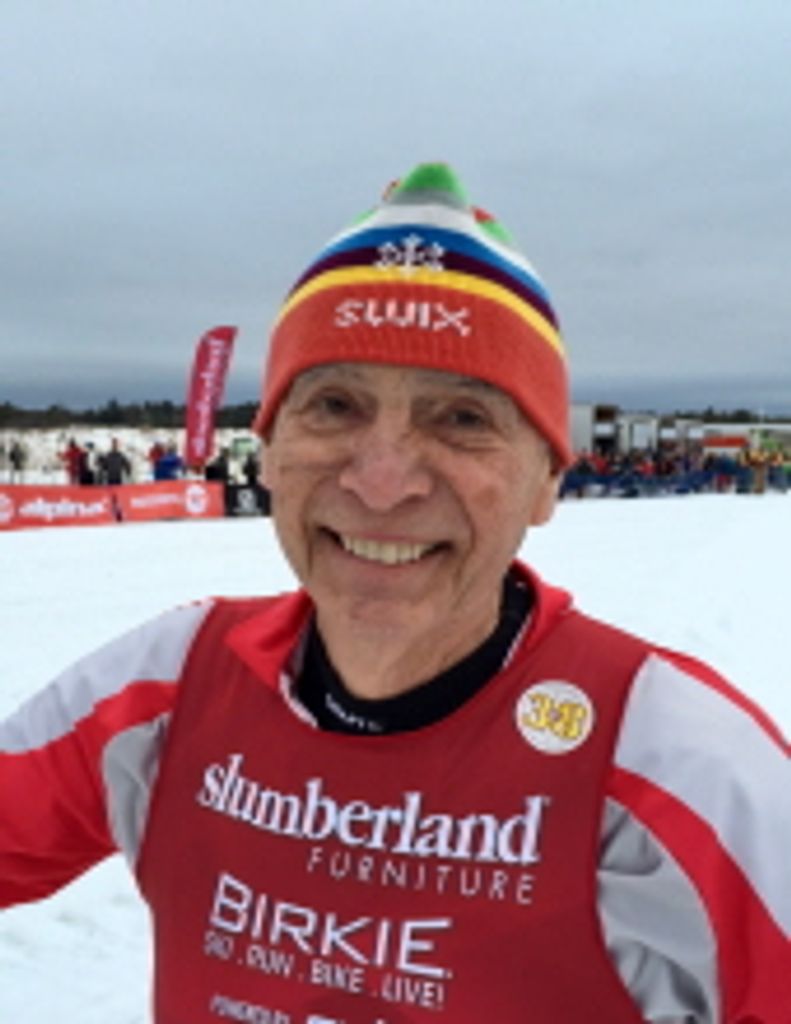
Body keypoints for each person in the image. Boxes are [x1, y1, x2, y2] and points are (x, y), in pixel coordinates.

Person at [0, 163, 788, 1023]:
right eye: (334, 405)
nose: (381, 482)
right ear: (268, 452)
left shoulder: (684, 764)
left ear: (545, 481)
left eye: (462, 419)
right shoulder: (166, 687)